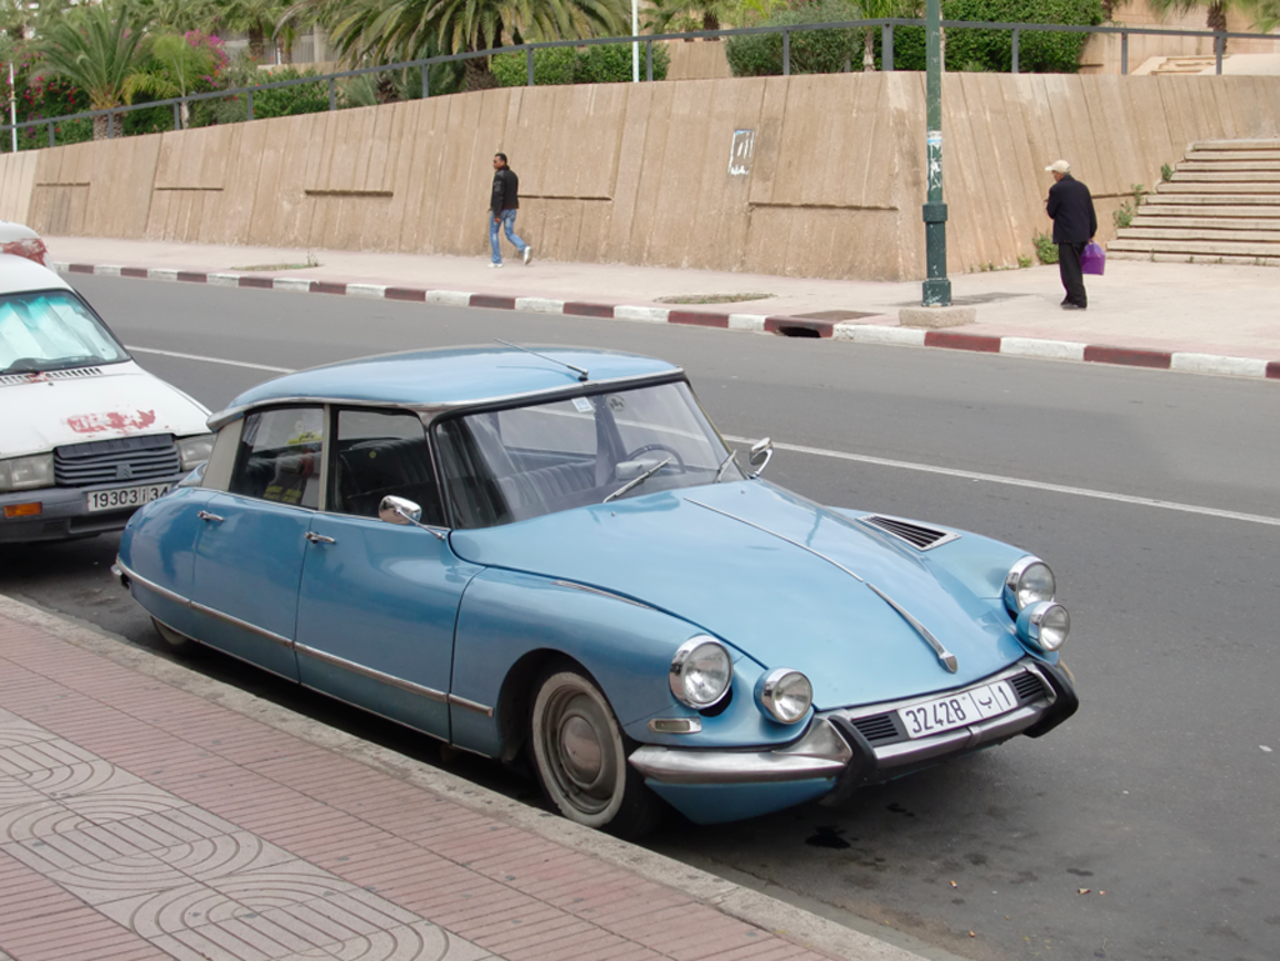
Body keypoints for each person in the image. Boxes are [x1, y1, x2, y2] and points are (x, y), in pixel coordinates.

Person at [1044, 159, 1097, 310]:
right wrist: (1091, 232)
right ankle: (1071, 296)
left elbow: (1051, 212)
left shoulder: (1057, 189)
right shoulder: (1082, 187)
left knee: (1069, 269)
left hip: (1067, 235)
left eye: (1054, 172)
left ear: (1059, 174)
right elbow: (1090, 211)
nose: (1053, 175)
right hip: (1082, 234)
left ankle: (1079, 299)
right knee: (1075, 267)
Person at [488, 153, 532, 268]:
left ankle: (496, 260)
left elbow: (498, 194)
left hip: (501, 209)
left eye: (495, 161)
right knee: (509, 233)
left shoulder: (499, 176)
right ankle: (524, 247)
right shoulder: (513, 175)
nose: (493, 163)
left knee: (493, 232)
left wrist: (496, 213)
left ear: (503, 162)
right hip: (512, 209)